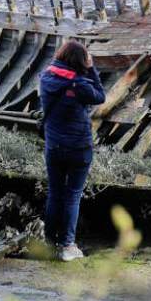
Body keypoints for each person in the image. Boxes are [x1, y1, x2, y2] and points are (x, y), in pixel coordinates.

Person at [39, 40, 105, 262]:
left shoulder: (45, 77)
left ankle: (50, 242)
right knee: (72, 196)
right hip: (79, 148)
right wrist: (92, 68)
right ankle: (68, 245)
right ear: (80, 61)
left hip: (54, 147)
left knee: (55, 193)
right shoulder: (80, 84)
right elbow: (100, 96)